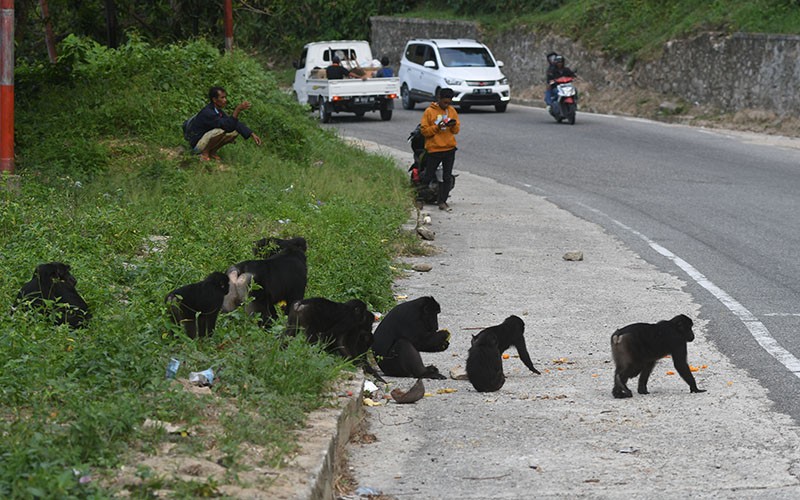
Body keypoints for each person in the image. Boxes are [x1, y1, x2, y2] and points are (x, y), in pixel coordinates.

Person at [186, 86, 262, 161]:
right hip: (197, 143)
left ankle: (212, 152)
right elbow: (227, 126)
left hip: (204, 139)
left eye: (225, 97)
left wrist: (252, 134)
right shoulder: (208, 112)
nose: (225, 100)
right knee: (220, 131)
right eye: (222, 98)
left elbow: (233, 124)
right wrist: (237, 110)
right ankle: (204, 153)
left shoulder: (218, 111)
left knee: (234, 132)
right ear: (214, 100)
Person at [420, 88, 460, 211]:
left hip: (449, 149)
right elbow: (424, 131)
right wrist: (437, 127)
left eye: (449, 103)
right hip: (434, 149)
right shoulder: (429, 111)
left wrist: (453, 125)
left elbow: (456, 131)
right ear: (439, 99)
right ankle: (420, 199)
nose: (446, 105)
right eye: (444, 102)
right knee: (428, 176)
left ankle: (442, 201)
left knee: (447, 177)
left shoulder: (452, 111)